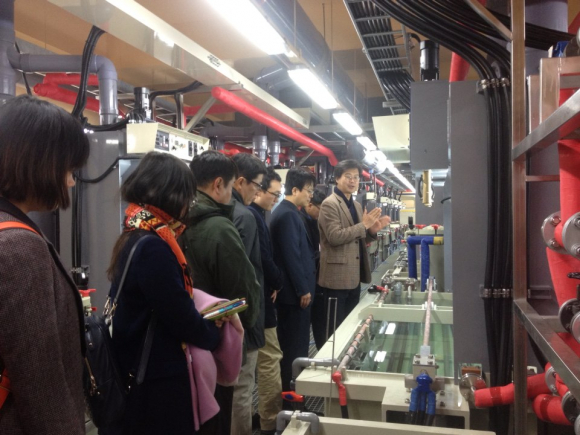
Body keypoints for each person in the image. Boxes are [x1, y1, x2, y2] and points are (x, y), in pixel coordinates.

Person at [104, 152, 223, 434]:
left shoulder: (135, 233)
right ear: (171, 195)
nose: (188, 206)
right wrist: (212, 332)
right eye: (187, 197)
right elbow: (178, 316)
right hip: (155, 381)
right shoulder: (154, 247)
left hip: (133, 366)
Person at [0, 95, 89, 434]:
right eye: (68, 169)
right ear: (40, 163)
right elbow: (41, 386)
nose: (70, 182)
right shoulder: (19, 248)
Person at [181, 150, 261, 435]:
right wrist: (246, 320)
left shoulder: (175, 220)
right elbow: (242, 290)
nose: (231, 197)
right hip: (217, 336)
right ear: (218, 184)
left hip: (185, 340)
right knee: (219, 414)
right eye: (229, 188)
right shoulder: (219, 228)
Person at [318, 159, 390, 337]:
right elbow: (334, 237)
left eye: (356, 177)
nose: (352, 181)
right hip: (336, 278)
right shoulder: (330, 204)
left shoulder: (356, 205)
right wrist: (363, 225)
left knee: (350, 324)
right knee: (335, 329)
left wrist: (371, 231)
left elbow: (359, 236)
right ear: (337, 178)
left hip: (354, 276)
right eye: (348, 176)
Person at [270, 167, 317, 394]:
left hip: (293, 294)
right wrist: (302, 289)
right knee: (294, 351)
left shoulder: (289, 212)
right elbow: (292, 256)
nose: (311, 195)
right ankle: (293, 401)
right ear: (295, 190)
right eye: (308, 190)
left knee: (294, 348)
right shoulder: (287, 215)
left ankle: (295, 398)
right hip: (294, 297)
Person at [230, 153, 267, 435]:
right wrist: (253, 317)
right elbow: (247, 273)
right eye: (257, 185)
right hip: (242, 316)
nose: (258, 192)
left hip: (216, 313)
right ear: (240, 182)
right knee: (242, 387)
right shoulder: (244, 216)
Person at [248, 168, 284, 435]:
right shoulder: (252, 217)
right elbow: (263, 258)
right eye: (274, 193)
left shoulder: (254, 214)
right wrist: (278, 282)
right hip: (259, 299)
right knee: (270, 358)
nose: (275, 198)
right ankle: (270, 421)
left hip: (254, 297)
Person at [300, 189, 327, 351]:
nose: (322, 214)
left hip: (315, 281)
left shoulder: (313, 221)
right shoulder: (300, 221)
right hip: (308, 284)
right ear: (310, 205)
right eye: (321, 209)